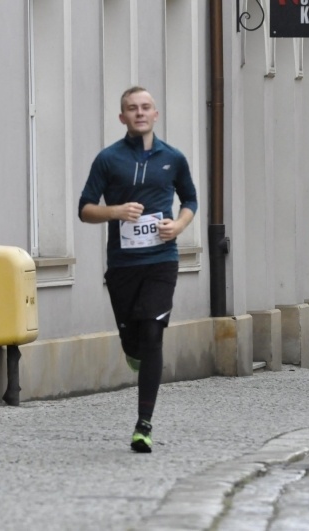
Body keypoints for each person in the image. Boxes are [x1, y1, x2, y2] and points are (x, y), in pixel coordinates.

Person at [78, 86, 198, 453]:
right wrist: (114, 212)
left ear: (155, 114)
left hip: (161, 260)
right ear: (122, 117)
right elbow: (85, 208)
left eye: (146, 107)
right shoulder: (108, 159)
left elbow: (190, 199)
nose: (140, 113)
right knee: (133, 339)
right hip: (123, 264)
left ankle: (143, 424)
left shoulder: (172, 158)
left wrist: (178, 226)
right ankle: (131, 347)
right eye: (132, 108)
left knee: (153, 333)